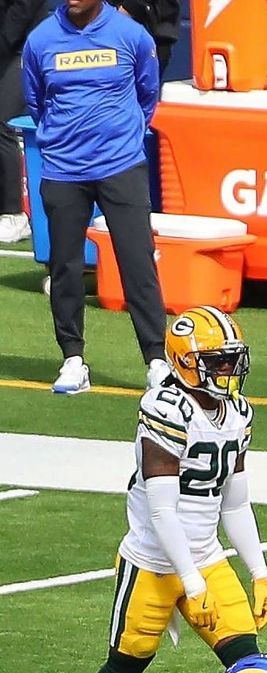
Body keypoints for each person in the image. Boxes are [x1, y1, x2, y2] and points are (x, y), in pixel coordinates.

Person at [50, 306, 267, 673]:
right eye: (217, 362)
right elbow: (162, 510)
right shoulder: (165, 408)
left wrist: (260, 573)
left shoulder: (237, 414)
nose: (227, 372)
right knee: (123, 669)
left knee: (251, 669)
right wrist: (192, 585)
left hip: (205, 556)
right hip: (152, 563)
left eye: (230, 361)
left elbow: (236, 502)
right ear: (185, 362)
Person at [22, 0, 168, 395]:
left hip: (121, 167)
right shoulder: (41, 40)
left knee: (138, 264)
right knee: (65, 268)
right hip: (62, 169)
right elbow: (37, 102)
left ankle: (157, 361)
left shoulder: (131, 35)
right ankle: (72, 360)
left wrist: (122, 137)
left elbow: (147, 92)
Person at [0, 0, 50, 242]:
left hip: (23, 48)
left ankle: (14, 216)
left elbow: (20, 13)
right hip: (7, 45)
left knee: (2, 123)